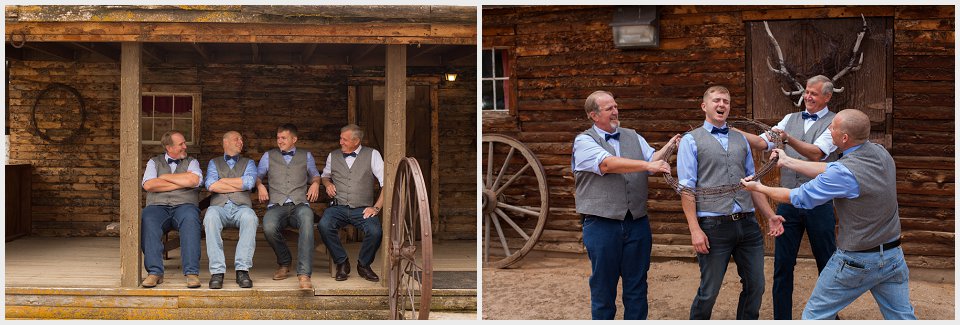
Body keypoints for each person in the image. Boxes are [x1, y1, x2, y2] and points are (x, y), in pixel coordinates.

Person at [741, 109, 916, 320]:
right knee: (902, 318)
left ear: (844, 138)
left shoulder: (845, 173)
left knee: (814, 317)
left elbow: (797, 196)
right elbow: (832, 168)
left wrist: (760, 188)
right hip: (892, 257)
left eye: (832, 127)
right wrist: (788, 161)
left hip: (857, 260)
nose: (828, 129)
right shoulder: (880, 153)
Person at [571, 90, 680, 320]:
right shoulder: (583, 141)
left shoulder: (633, 135)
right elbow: (608, 164)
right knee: (603, 289)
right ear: (593, 115)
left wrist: (669, 147)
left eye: (616, 106)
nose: (616, 111)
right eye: (609, 108)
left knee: (637, 288)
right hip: (602, 225)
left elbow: (651, 159)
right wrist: (648, 166)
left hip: (637, 223)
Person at [677, 86, 784, 320]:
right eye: (716, 100)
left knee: (756, 286)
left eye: (726, 101)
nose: (722, 105)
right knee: (709, 291)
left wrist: (769, 215)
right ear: (704, 106)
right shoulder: (690, 141)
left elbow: (752, 183)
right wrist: (695, 230)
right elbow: (686, 188)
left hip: (747, 225)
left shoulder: (741, 140)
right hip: (713, 226)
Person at [739, 75, 839, 319]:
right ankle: (781, 318)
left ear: (827, 96)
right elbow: (763, 143)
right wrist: (733, 132)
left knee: (826, 266)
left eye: (814, 93)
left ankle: (830, 316)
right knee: (782, 266)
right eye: (806, 92)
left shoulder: (836, 122)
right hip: (789, 203)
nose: (808, 97)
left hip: (820, 205)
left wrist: (787, 139)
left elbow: (817, 153)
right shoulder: (789, 119)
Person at [256, 123, 322, 289]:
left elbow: (315, 175)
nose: (279, 141)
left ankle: (304, 274)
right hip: (276, 205)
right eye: (278, 138)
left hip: (299, 204)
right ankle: (285, 262)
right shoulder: (268, 156)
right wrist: (260, 185)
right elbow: (257, 176)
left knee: (307, 220)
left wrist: (315, 183)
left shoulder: (306, 156)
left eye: (283, 138)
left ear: (294, 139)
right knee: (268, 227)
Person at [318, 124, 385, 282]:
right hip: (338, 207)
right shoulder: (332, 156)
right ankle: (341, 262)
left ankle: (363, 265)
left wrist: (376, 207)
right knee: (324, 225)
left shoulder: (372, 155)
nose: (340, 142)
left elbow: (386, 183)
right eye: (340, 138)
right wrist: (327, 184)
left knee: (375, 231)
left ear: (356, 141)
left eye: (344, 139)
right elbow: (324, 176)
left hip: (362, 208)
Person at [140, 131, 203, 288]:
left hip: (184, 206)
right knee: (147, 218)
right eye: (181, 144)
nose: (185, 146)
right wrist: (181, 182)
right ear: (169, 147)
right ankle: (155, 272)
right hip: (158, 207)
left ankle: (191, 273)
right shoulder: (154, 162)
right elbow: (148, 185)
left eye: (184, 143)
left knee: (191, 219)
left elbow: (194, 180)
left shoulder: (192, 162)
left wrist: (162, 178)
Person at [203, 131, 258, 289]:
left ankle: (242, 270)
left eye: (241, 139)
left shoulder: (249, 163)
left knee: (251, 218)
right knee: (210, 216)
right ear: (225, 142)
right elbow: (211, 185)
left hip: (241, 208)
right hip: (219, 207)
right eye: (236, 139)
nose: (241, 142)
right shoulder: (214, 162)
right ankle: (217, 272)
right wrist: (237, 184)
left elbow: (248, 183)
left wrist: (223, 182)